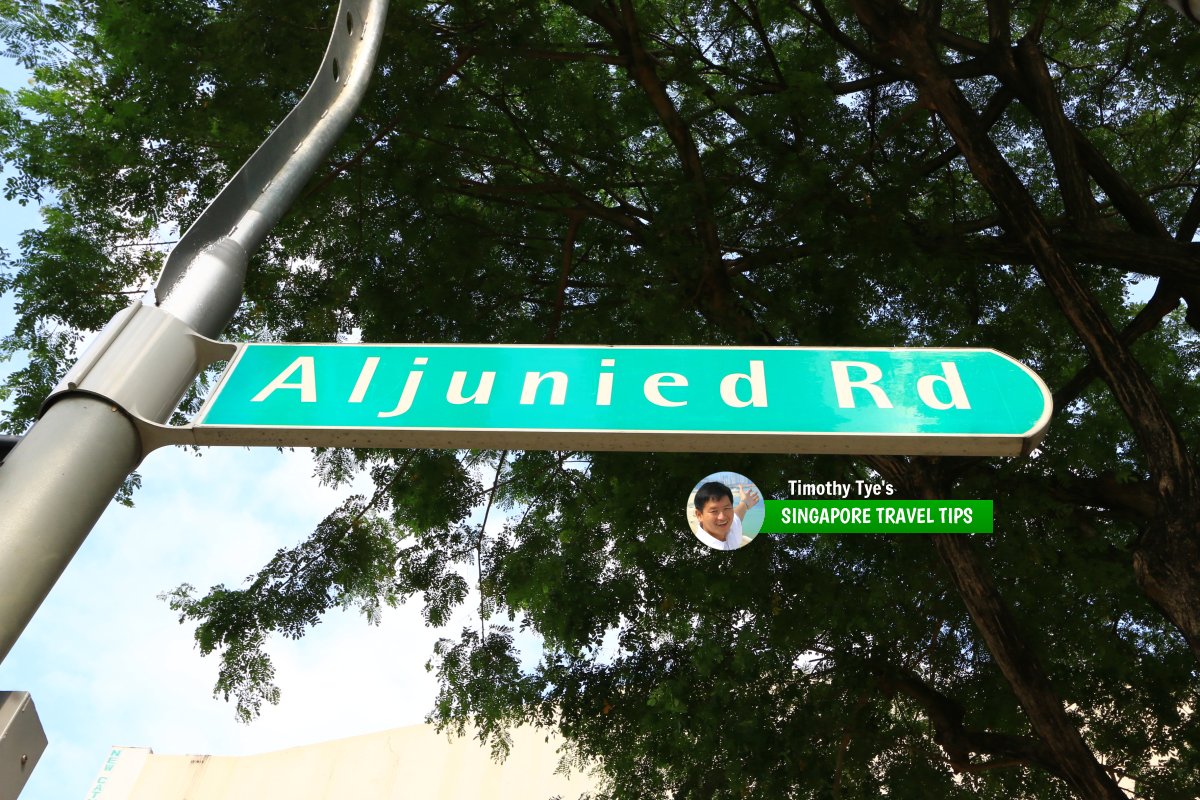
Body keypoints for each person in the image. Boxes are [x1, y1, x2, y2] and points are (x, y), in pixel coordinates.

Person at [692, 481, 761, 550]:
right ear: (699, 515)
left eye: (727, 508)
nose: (722, 517)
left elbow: (737, 514)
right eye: (714, 511)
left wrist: (745, 502)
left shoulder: (731, 528)